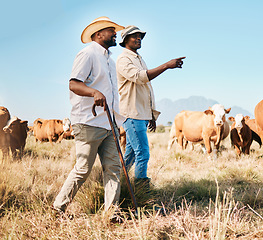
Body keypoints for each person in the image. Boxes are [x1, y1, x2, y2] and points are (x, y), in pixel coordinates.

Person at [53, 17, 125, 220]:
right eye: (111, 30)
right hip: (88, 122)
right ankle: (59, 207)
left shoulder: (110, 61)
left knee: (114, 168)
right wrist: (94, 92)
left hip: (109, 123)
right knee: (83, 169)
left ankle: (112, 212)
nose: (115, 33)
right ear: (98, 34)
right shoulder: (87, 54)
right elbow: (74, 84)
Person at [116, 25, 185, 197]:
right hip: (132, 114)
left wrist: (151, 115)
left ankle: (116, 185)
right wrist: (167, 66)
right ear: (125, 40)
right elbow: (141, 78)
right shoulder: (124, 60)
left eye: (140, 36)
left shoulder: (139, 59)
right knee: (143, 153)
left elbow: (147, 89)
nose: (138, 38)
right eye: (134, 36)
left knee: (131, 154)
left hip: (140, 114)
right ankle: (141, 193)